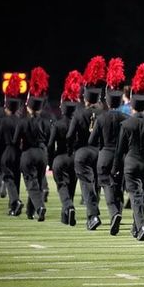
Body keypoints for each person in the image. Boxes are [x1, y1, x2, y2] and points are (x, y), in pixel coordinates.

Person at [112, 63, 144, 241]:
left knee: (135, 195)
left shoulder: (126, 124)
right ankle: (137, 227)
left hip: (131, 162)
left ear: (132, 106)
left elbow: (120, 149)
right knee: (142, 197)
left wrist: (115, 167)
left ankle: (142, 225)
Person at [88, 58, 128, 235]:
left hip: (104, 155)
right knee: (117, 186)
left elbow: (92, 141)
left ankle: (114, 213)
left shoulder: (101, 118)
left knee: (106, 186)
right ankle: (117, 214)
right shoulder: (124, 119)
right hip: (120, 157)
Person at [67, 57, 105, 230]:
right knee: (97, 183)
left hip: (83, 151)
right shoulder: (103, 113)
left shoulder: (79, 113)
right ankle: (100, 211)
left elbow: (70, 135)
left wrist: (72, 149)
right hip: (100, 152)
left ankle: (93, 215)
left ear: (85, 99)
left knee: (86, 184)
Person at [13, 67, 51, 221]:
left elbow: (16, 141)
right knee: (39, 182)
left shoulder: (23, 122)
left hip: (28, 153)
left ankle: (39, 206)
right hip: (42, 154)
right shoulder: (45, 121)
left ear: (28, 107)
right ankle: (30, 211)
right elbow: (49, 139)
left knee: (30, 182)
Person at [48, 70, 81, 226]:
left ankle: (68, 206)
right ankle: (66, 216)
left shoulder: (58, 124)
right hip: (75, 158)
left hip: (60, 157)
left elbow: (50, 144)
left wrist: (50, 159)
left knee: (62, 186)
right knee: (72, 185)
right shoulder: (78, 123)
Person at [0, 74, 23, 216]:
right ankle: (13, 207)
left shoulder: (4, 121)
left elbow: (0, 141)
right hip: (18, 152)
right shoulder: (20, 120)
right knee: (17, 178)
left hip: (7, 151)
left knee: (8, 178)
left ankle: (15, 201)